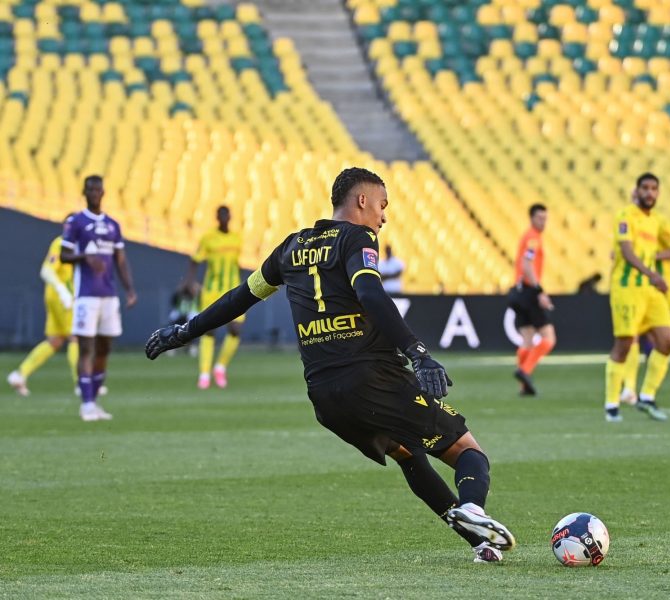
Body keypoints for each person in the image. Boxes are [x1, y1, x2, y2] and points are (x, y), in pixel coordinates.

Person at [146, 167, 516, 563]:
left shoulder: (290, 248)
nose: (383, 216)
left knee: (408, 453)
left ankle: (481, 544)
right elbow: (370, 292)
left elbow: (241, 298)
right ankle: (474, 510)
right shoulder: (358, 238)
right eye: (381, 205)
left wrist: (184, 331)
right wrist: (417, 351)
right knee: (466, 450)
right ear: (361, 200)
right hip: (372, 376)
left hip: (325, 396)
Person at [60, 175, 137, 421]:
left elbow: (121, 260)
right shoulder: (76, 221)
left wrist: (130, 289)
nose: (94, 192)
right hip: (86, 297)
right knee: (86, 349)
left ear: (103, 192)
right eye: (90, 189)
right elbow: (64, 255)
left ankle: (94, 402)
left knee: (104, 349)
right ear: (84, 191)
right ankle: (86, 404)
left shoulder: (113, 225)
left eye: (98, 189)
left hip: (109, 295)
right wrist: (84, 257)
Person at [604, 173, 670, 423]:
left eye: (654, 189)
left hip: (650, 291)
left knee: (666, 342)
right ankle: (611, 404)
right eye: (645, 188)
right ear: (637, 191)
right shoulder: (625, 216)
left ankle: (647, 396)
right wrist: (653, 273)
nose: (649, 193)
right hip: (626, 289)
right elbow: (626, 252)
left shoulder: (657, 221)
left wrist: (657, 261)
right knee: (624, 345)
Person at [619, 211, 670, 405]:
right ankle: (629, 389)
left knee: (657, 336)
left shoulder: (660, 222)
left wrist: (652, 256)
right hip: (637, 287)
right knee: (632, 335)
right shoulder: (629, 222)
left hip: (661, 286)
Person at [7, 219, 79, 396]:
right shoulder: (62, 243)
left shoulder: (73, 243)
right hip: (62, 298)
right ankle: (82, 383)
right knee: (75, 337)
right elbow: (46, 270)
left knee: (54, 340)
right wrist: (63, 291)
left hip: (55, 296)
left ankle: (20, 374)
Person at [183, 206, 243, 389]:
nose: (224, 218)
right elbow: (195, 260)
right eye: (221, 215)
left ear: (230, 217)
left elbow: (236, 265)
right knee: (208, 330)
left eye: (226, 215)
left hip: (232, 288)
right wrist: (190, 282)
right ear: (217, 217)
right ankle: (204, 374)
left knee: (235, 329)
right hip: (212, 290)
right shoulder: (208, 238)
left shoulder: (237, 239)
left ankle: (220, 367)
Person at [508, 204, 556, 396]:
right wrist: (539, 290)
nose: (543, 222)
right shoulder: (533, 239)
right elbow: (526, 264)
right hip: (528, 291)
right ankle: (525, 371)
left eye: (545, 218)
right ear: (531, 218)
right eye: (540, 218)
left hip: (517, 292)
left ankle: (524, 387)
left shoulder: (529, 237)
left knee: (527, 341)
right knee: (549, 338)